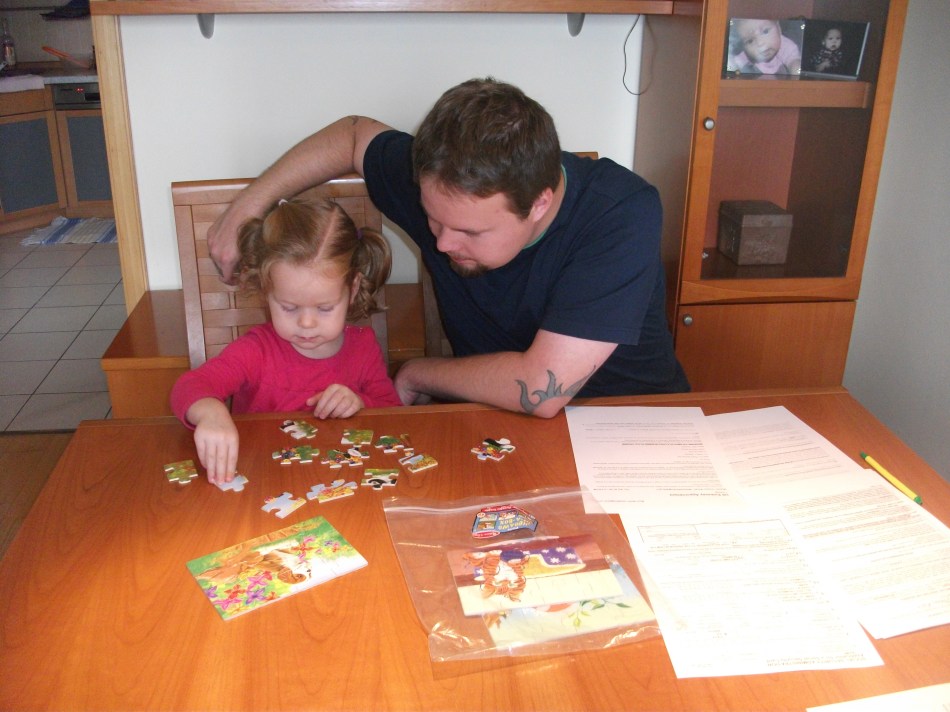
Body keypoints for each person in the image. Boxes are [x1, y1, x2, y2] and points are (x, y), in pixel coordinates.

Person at [208, 77, 689, 419]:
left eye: (470, 232)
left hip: (633, 424)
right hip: (489, 424)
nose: (441, 243)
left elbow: (541, 390)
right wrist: (247, 207)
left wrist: (417, 374)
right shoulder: (442, 178)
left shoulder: (621, 212)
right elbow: (352, 133)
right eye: (433, 219)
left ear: (540, 203)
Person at [172, 197, 401, 483]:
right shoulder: (256, 350)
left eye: (324, 308)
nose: (306, 323)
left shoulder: (363, 347)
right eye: (289, 308)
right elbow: (188, 386)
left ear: (352, 290)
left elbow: (393, 411)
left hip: (341, 480)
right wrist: (211, 413)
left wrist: (359, 402)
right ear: (266, 291)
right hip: (263, 479)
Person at [730, 19, 802, 75]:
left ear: (778, 28)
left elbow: (794, 61)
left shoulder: (785, 45)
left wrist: (796, 70)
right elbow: (733, 64)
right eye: (750, 41)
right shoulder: (747, 54)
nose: (760, 43)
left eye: (765, 31)